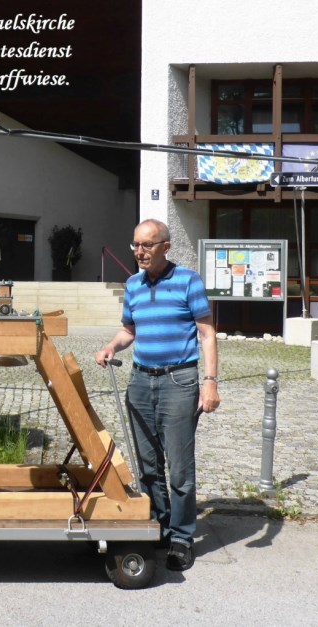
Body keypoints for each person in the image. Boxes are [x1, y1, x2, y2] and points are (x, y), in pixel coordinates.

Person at [95, 218, 219, 572]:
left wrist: (210, 381)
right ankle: (160, 526)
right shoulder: (132, 285)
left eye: (147, 245)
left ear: (166, 246)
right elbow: (128, 329)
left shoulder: (188, 281)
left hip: (178, 382)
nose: (139, 251)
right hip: (140, 381)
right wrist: (110, 347)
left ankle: (181, 536)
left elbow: (207, 334)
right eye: (135, 245)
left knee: (179, 468)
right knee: (148, 466)